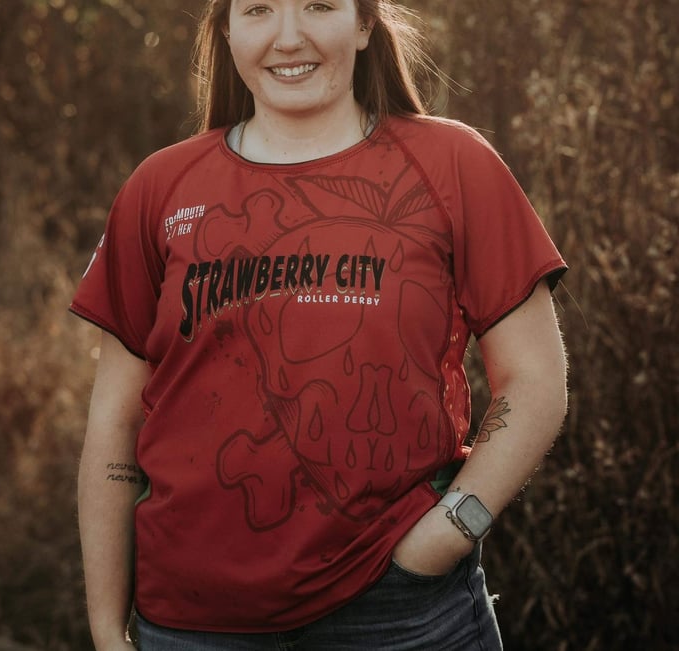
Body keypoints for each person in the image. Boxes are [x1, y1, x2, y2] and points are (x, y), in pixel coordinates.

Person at [71, 0, 568, 649]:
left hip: (399, 611)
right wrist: (108, 630)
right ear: (227, 31)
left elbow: (535, 379)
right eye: (257, 10)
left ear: (363, 24)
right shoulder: (161, 188)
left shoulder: (450, 164)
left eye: (318, 5)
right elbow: (115, 418)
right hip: (194, 621)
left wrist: (447, 533)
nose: (288, 37)